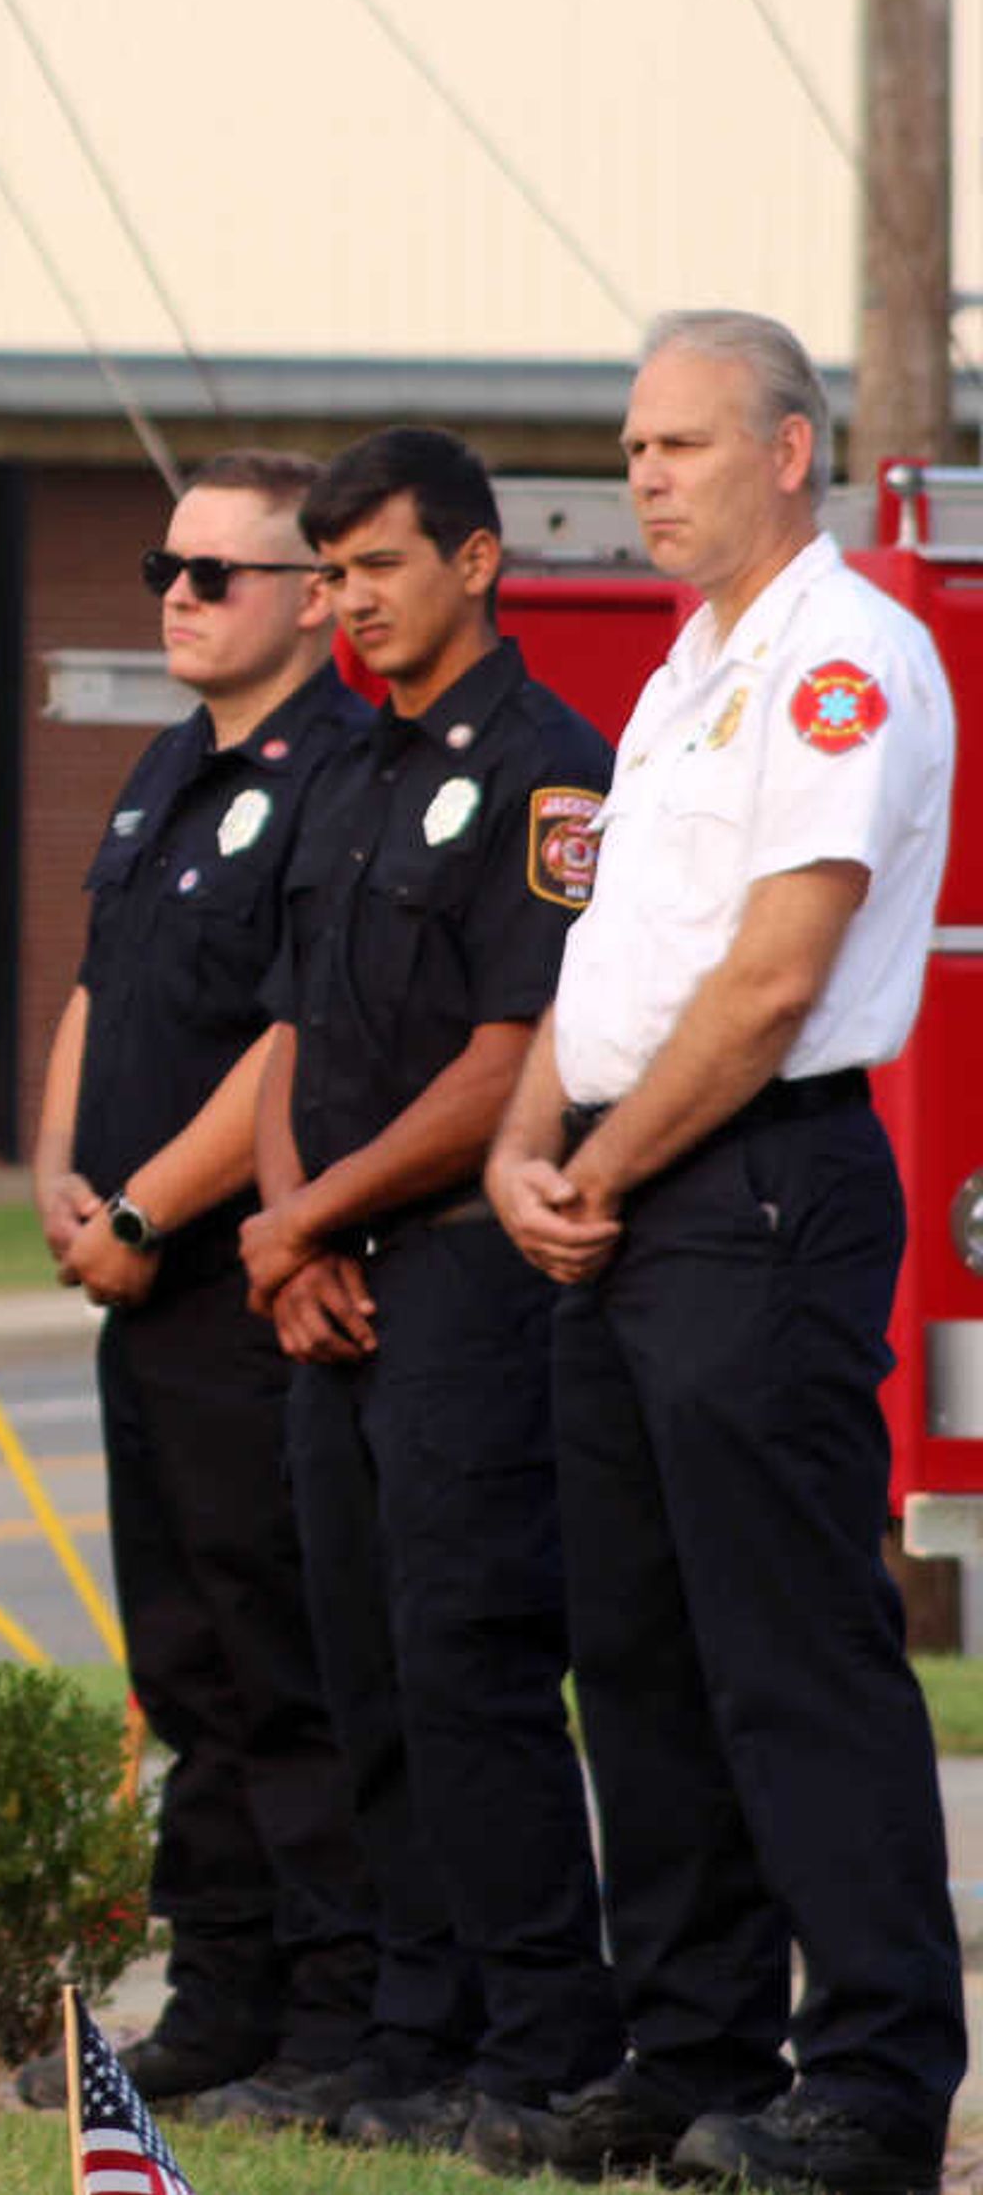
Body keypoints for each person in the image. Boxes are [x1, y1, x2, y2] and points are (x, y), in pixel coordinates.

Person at [483, 310, 963, 2195]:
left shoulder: (843, 659)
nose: (643, 477)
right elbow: (607, 969)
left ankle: (874, 2077)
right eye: (631, 447)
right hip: (626, 1184)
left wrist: (594, 1170)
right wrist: (533, 1144)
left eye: (679, 443)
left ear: (787, 451)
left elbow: (772, 980)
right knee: (644, 1648)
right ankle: (692, 2054)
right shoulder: (683, 673)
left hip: (754, 1190)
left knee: (795, 1654)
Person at [212, 427, 617, 2148]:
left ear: (475, 561)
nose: (349, 601)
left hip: (466, 1283)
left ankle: (534, 2043)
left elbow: (510, 1053)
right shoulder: (345, 769)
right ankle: (413, 2024)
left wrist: (316, 1222)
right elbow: (302, 1029)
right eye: (331, 572)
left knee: (471, 1664)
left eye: (377, 565)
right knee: (363, 1665)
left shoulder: (548, 769)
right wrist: (293, 1222)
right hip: (344, 1286)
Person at [11, 453, 378, 2112]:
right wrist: (53, 1167)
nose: (178, 590)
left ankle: (329, 2008)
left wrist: (149, 1212)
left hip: (238, 1281)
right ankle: (222, 1990)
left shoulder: (335, 775)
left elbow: (290, 1042)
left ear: (315, 594)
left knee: (278, 1642)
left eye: (218, 571)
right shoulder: (169, 762)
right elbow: (102, 979)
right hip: (135, 1279)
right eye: (169, 563)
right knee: (182, 1652)